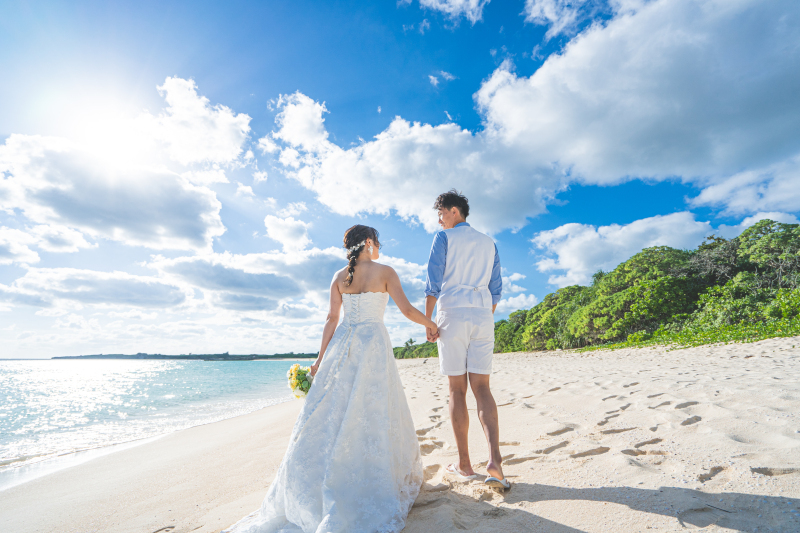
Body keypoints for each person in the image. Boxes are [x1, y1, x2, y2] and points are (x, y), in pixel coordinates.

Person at [224, 224, 435, 533]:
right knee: (370, 407)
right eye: (377, 242)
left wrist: (319, 360)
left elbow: (331, 320)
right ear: (367, 242)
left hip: (343, 346)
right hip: (373, 344)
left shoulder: (339, 277)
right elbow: (406, 309)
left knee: (333, 411)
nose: (380, 247)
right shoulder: (385, 271)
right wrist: (430, 324)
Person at [424, 189, 509, 490]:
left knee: (456, 389)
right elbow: (496, 288)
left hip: (453, 313)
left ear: (454, 211)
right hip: (483, 314)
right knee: (483, 387)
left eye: (442, 213)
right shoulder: (490, 242)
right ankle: (496, 463)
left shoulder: (444, 238)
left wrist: (428, 321)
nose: (439, 219)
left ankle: (464, 465)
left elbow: (433, 283)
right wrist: (483, 312)